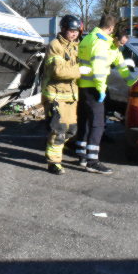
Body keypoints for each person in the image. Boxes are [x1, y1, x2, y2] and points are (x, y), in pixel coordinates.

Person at [75, 14, 137, 174]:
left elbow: (120, 62)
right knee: (97, 124)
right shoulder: (101, 43)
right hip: (94, 87)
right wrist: (101, 90)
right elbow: (99, 69)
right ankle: (92, 161)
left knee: (85, 122)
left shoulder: (89, 38)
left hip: (83, 86)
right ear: (111, 28)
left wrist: (131, 81)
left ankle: (82, 155)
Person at [41, 15, 88, 174]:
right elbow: (58, 72)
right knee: (58, 130)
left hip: (71, 97)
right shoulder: (56, 45)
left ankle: (56, 151)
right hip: (56, 96)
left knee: (71, 130)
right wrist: (79, 71)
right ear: (63, 30)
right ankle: (53, 162)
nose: (74, 34)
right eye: (71, 31)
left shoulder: (76, 46)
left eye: (76, 31)